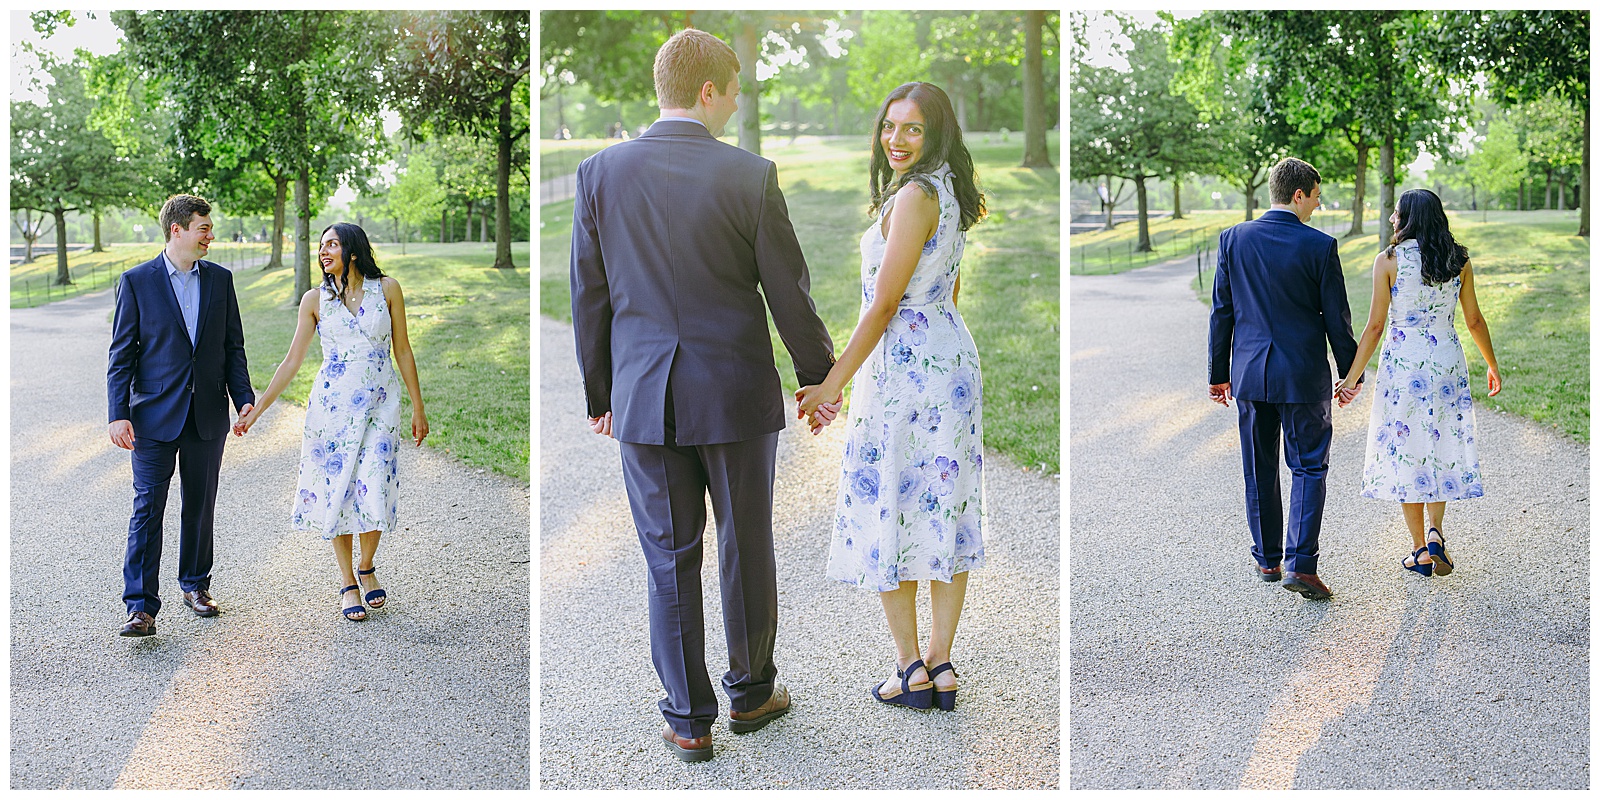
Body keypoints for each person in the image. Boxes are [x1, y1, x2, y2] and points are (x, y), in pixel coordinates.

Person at [569, 28, 839, 763]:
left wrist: (601, 392)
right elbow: (790, 291)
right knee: (745, 545)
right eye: (735, 90)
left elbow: (587, 297)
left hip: (644, 399)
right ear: (709, 90)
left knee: (668, 555)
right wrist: (817, 375)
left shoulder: (599, 173)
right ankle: (753, 695)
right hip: (735, 392)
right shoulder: (750, 174)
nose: (737, 104)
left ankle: (688, 718)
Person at [796, 81, 987, 713]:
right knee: (943, 502)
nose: (896, 139)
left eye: (911, 129)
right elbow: (949, 289)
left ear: (935, 133)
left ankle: (911, 669)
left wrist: (832, 383)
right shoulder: (951, 192)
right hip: (949, 357)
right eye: (889, 126)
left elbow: (882, 306)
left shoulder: (913, 196)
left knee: (895, 507)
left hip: (904, 368)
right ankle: (941, 662)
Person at [234, 223, 428, 621]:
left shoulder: (387, 289)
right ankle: (347, 581)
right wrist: (258, 409)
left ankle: (368, 565)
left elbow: (403, 350)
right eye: (321, 246)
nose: (323, 252)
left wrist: (418, 406)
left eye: (332, 245)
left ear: (352, 251)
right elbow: (292, 361)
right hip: (332, 410)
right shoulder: (314, 299)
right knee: (337, 490)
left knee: (374, 484)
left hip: (380, 404)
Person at [1207, 157, 1361, 601]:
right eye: (1315, 195)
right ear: (1298, 194)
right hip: (1302, 375)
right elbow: (1338, 321)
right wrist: (1351, 375)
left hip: (1251, 374)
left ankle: (1268, 559)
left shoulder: (1233, 239)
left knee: (1258, 469)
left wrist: (1219, 375)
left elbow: (1222, 312)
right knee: (1309, 466)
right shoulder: (1320, 247)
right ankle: (1302, 566)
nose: (1318, 203)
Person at [108, 193, 255, 637]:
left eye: (209, 229)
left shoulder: (221, 281)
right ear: (178, 230)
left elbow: (233, 347)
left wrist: (243, 397)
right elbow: (121, 355)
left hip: (207, 414)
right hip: (152, 416)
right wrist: (118, 413)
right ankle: (140, 606)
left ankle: (195, 585)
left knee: (199, 506)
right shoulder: (136, 281)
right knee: (147, 509)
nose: (211, 236)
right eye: (204, 228)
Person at [1335, 188, 1501, 577]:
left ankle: (1418, 551)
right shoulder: (1458, 260)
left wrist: (1351, 378)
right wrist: (1492, 364)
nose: (1393, 219)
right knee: (1439, 446)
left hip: (1404, 367)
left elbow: (1375, 326)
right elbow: (1474, 320)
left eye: (1396, 213)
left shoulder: (1389, 260)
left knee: (1408, 449)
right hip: (1446, 362)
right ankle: (1436, 533)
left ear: (1408, 217)